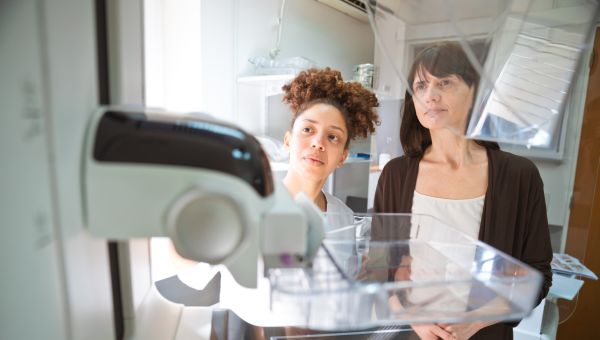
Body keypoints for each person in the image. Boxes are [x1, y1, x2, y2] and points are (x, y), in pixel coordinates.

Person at [373, 41, 553, 340]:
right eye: (420, 85)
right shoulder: (396, 174)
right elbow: (377, 267)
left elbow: (538, 276)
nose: (430, 95)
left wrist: (474, 321)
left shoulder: (520, 176)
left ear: (475, 93)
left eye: (444, 82)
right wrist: (413, 319)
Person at [281, 67, 379, 220]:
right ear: (288, 141)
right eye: (307, 129)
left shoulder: (344, 217)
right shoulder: (254, 208)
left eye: (332, 137)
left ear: (342, 157)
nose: (318, 143)